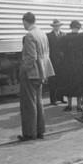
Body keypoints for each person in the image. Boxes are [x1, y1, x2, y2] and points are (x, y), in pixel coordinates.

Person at [18, 12, 54, 141]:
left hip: (31, 73)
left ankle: (29, 133)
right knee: (38, 102)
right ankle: (40, 131)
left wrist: (24, 69)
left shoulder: (30, 35)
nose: (23, 25)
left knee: (29, 104)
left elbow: (31, 57)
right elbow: (47, 52)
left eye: (23, 23)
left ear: (26, 21)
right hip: (42, 72)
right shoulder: (42, 33)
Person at [59, 20, 83, 112]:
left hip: (68, 64)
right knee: (79, 84)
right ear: (79, 28)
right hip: (79, 64)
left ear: (70, 27)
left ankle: (69, 105)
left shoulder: (64, 37)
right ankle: (79, 105)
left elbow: (61, 51)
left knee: (69, 84)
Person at [46, 19, 65, 105]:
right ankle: (53, 100)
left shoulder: (64, 35)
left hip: (61, 61)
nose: (57, 27)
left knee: (61, 80)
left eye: (58, 26)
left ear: (60, 26)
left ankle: (61, 98)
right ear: (53, 27)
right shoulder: (49, 36)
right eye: (55, 26)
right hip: (52, 60)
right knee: (52, 81)